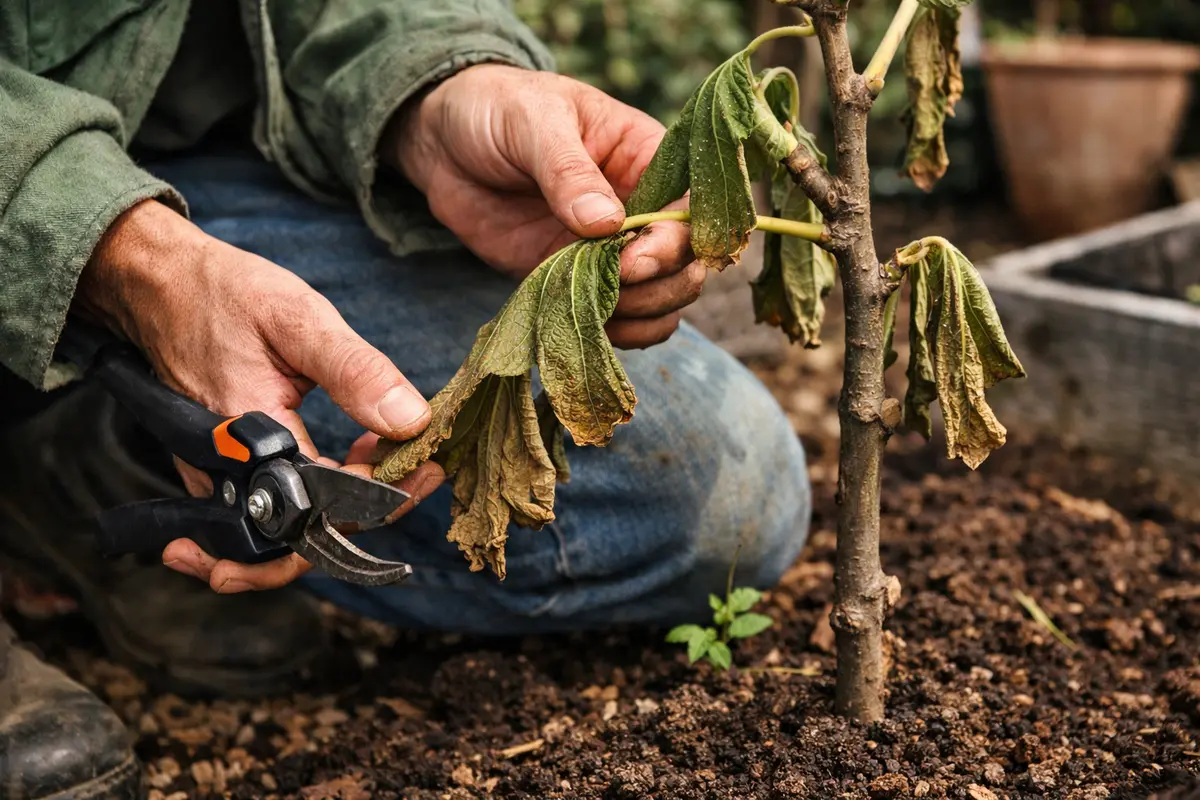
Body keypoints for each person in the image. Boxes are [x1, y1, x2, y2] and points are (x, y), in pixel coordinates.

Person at [0, 1, 812, 796]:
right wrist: (126, 258)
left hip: (216, 165)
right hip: (30, 171)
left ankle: (93, 447)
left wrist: (438, 87)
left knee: (727, 493)